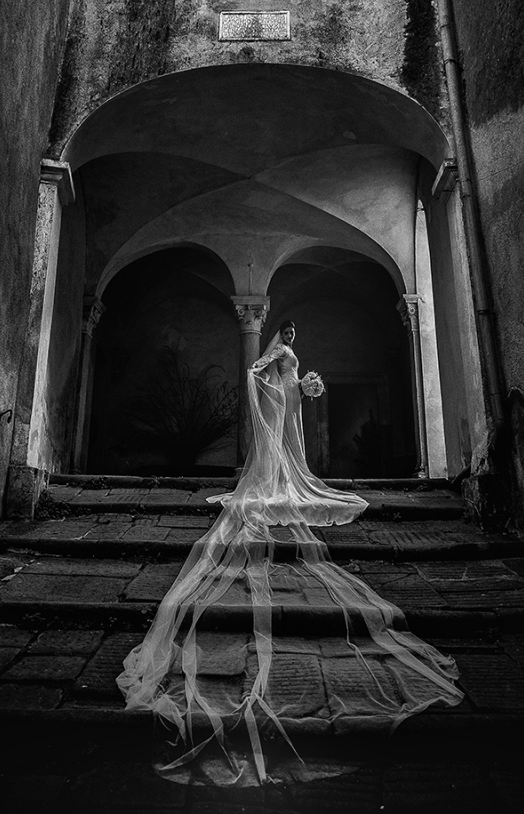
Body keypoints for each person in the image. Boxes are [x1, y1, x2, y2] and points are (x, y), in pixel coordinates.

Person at [117, 318, 462, 786]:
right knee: (276, 465)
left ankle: (281, 482)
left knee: (289, 461)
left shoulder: (289, 356)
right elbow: (257, 368)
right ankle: (275, 484)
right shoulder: (275, 352)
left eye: (295, 335)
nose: (292, 339)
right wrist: (277, 390)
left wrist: (303, 385)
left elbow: (283, 374)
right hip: (280, 404)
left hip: (289, 402)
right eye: (289, 334)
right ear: (281, 334)